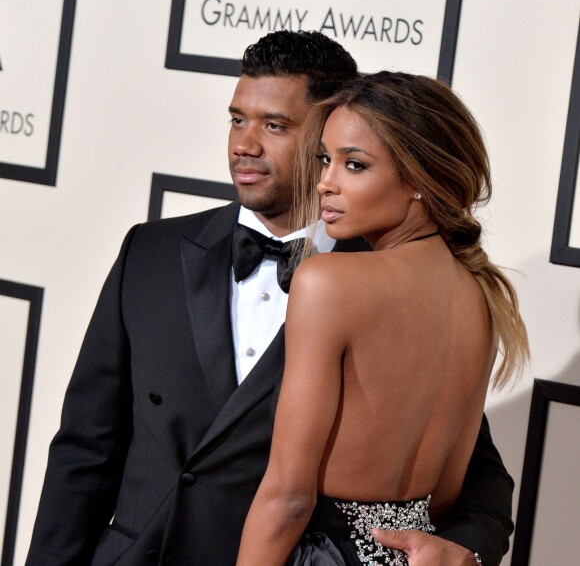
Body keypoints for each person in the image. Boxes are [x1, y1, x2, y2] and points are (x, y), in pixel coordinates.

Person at [27, 32, 514, 566]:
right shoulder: (151, 253)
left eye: (275, 125)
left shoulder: (376, 286)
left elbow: (474, 469)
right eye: (238, 120)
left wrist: (463, 550)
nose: (245, 145)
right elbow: (85, 449)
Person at [236, 71, 530, 566]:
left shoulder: (329, 283)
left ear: (419, 178)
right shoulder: (481, 297)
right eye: (325, 159)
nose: (325, 183)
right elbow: (446, 493)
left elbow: (288, 499)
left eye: (354, 165)